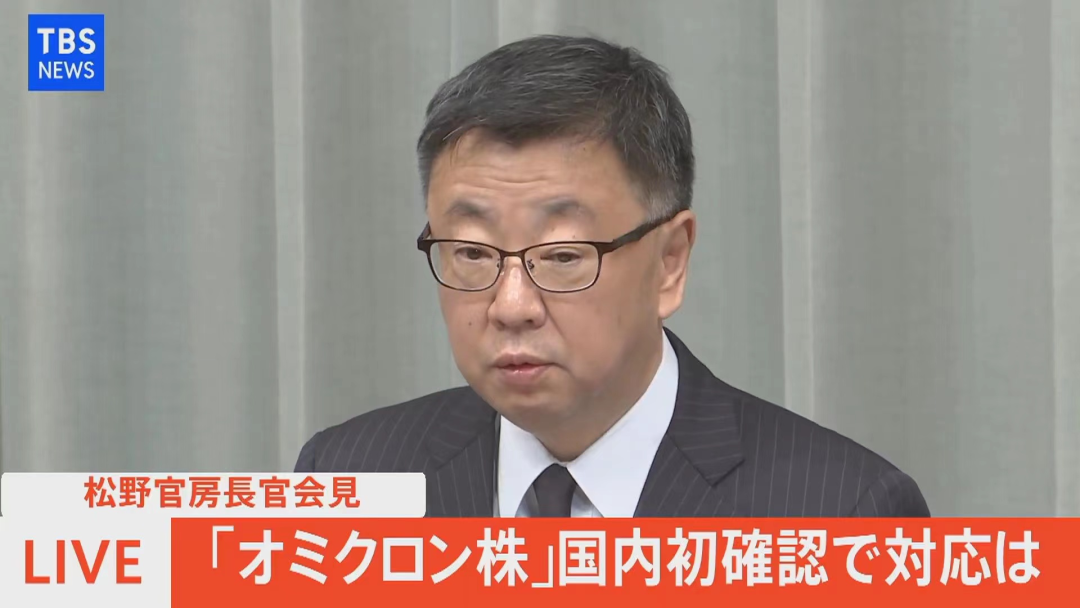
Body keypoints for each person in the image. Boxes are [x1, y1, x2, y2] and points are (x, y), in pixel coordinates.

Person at [294, 34, 930, 518]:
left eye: (563, 256)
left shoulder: (844, 511)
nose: (511, 306)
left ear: (670, 262)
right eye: (473, 253)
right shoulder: (347, 479)